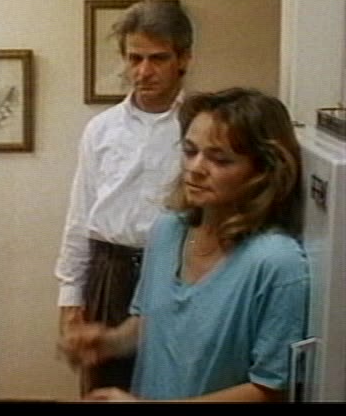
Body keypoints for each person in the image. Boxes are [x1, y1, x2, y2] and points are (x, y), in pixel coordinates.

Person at [59, 87, 309, 402]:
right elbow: (152, 323)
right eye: (190, 151)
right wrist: (109, 341)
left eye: (219, 159)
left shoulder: (277, 263)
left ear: (263, 170)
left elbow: (270, 389)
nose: (196, 168)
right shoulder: (167, 230)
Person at [54, 0, 194, 394]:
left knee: (173, 382)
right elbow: (79, 216)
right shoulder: (101, 129)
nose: (143, 71)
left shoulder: (199, 126)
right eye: (134, 58)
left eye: (157, 58)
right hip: (110, 270)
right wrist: (70, 297)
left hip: (176, 269)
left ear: (183, 59)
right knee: (105, 383)